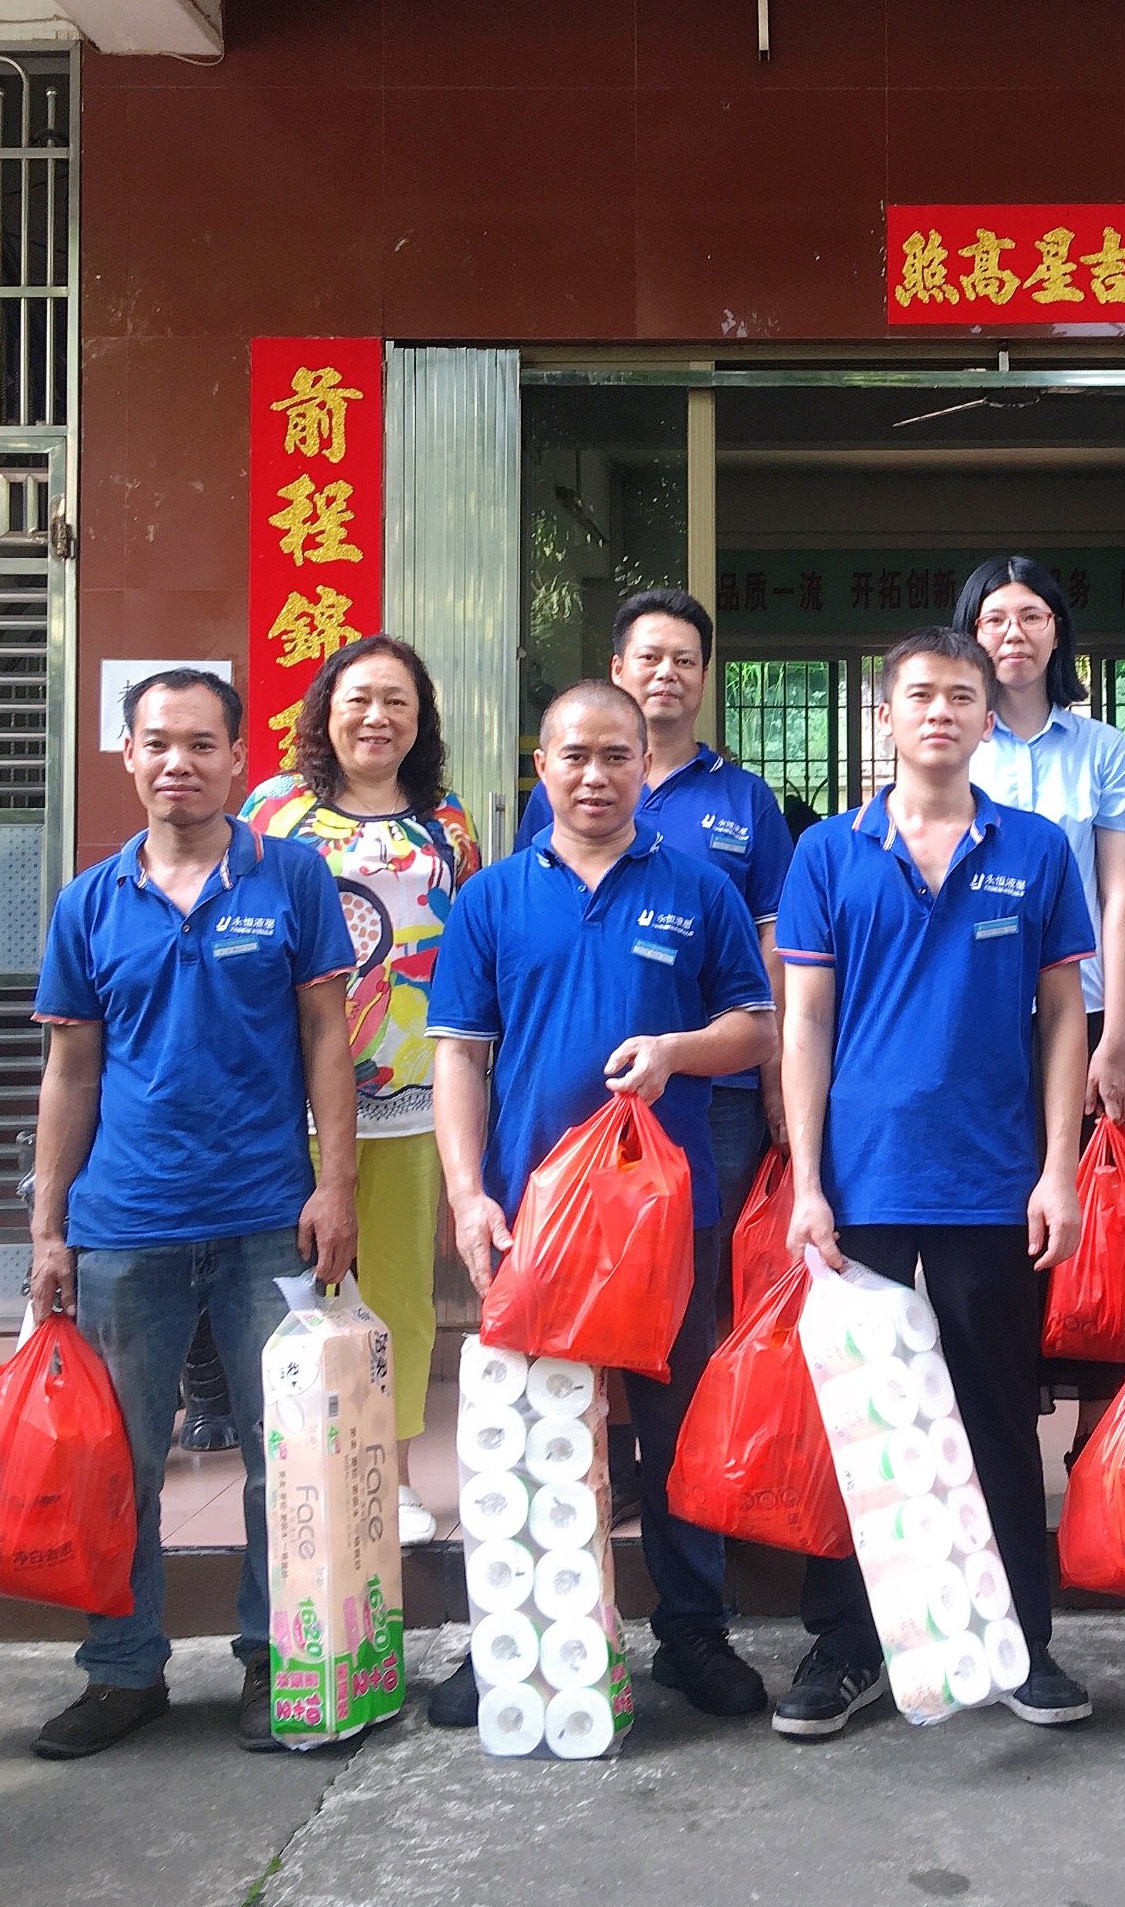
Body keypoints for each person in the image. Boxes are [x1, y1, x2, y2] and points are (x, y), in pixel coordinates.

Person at [426, 680, 778, 1721]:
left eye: (616, 756)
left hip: (664, 1213)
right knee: (532, 1426)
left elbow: (755, 1028)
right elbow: (459, 1055)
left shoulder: (698, 888)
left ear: (644, 765)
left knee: (675, 1427)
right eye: (574, 756)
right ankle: (517, 1637)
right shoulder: (492, 898)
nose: (595, 775)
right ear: (542, 767)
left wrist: (675, 1052)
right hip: (530, 1210)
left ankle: (692, 1631)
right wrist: (466, 1196)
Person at [24, 668, 359, 1760]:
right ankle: (123, 1672)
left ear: (237, 758)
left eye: (203, 744)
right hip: (126, 1227)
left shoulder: (291, 878)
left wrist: (337, 1184)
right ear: (128, 755)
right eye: (159, 743)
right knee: (119, 1463)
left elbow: (326, 1036)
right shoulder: (89, 901)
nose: (180, 763)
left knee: (283, 1456)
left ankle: (275, 1662)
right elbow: (71, 1072)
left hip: (268, 1217)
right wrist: (49, 1229)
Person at [770, 627, 1097, 1738]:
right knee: (857, 1423)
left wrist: (1057, 1170)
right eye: (920, 695)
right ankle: (846, 1646)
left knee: (996, 1415)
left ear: (985, 717)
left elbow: (1064, 1018)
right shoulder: (828, 853)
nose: (941, 713)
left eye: (962, 696)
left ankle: (1022, 1645)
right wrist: (806, 1183)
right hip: (860, 1187)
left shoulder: (1036, 849)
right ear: (886, 716)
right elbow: (805, 1023)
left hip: (990, 1182)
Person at [241, 634, 480, 1546]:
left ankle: (396, 1476)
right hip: (290, 1096)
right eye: (359, 700)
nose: (377, 718)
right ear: (325, 712)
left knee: (400, 1300)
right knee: (294, 1296)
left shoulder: (447, 824)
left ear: (420, 720)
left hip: (413, 1096)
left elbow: (469, 955)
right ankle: (305, 1475)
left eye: (397, 702)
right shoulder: (274, 811)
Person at [518, 588, 793, 1253]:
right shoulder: (561, 793)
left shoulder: (746, 798)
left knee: (700, 1258)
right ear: (618, 668)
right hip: (579, 1084)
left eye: (685, 660)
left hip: (719, 1087)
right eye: (651, 657)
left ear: (704, 677)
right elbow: (536, 917)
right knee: (575, 1263)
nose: (667, 673)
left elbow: (775, 942)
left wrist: (777, 1074)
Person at [952, 555, 1125, 1130]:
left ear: (1057, 631)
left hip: (1081, 1002)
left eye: (1032, 616)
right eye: (994, 620)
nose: (1014, 633)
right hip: (969, 1001)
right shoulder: (950, 744)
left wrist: (1116, 1038)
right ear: (971, 636)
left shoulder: (1103, 748)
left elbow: (1119, 899)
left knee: (1073, 1173)